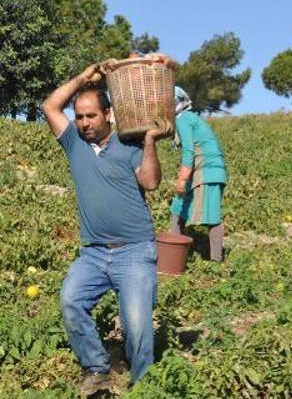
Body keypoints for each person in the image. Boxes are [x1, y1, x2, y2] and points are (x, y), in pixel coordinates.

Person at [41, 60, 171, 394]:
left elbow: (152, 182)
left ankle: (143, 385)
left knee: (138, 326)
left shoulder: (130, 144)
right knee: (71, 300)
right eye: (80, 116)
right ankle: (97, 367)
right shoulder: (74, 144)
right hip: (94, 254)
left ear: (108, 114)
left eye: (91, 115)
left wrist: (150, 142)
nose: (84, 123)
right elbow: (50, 106)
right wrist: (84, 77)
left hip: (135, 250)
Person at [168, 87, 227, 261]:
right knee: (178, 207)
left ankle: (216, 262)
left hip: (208, 171)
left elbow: (188, 151)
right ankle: (173, 254)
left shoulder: (184, 119)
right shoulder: (184, 119)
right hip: (199, 170)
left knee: (211, 216)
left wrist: (182, 179)